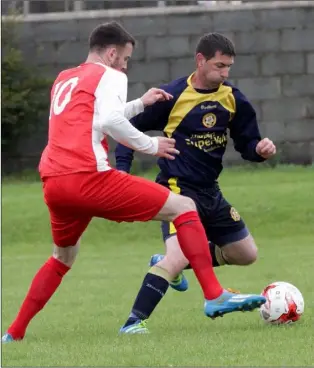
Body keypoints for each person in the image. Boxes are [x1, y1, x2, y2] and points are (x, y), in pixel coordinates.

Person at [2, 23, 266, 343]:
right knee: (183, 207)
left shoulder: (65, 78)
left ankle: (13, 333)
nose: (126, 65)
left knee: (62, 258)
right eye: (125, 58)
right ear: (112, 53)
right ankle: (213, 295)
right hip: (88, 176)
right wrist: (151, 146)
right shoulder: (111, 74)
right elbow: (113, 122)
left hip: (54, 183)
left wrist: (141, 103)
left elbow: (98, 117)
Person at [115, 32, 276, 333]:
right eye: (219, 66)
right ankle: (134, 322)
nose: (225, 73)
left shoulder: (232, 98)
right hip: (177, 190)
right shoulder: (172, 96)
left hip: (211, 193)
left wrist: (260, 151)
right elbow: (125, 129)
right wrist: (123, 169)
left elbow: (247, 142)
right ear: (200, 61)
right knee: (176, 257)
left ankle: (174, 261)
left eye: (228, 67)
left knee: (246, 253)